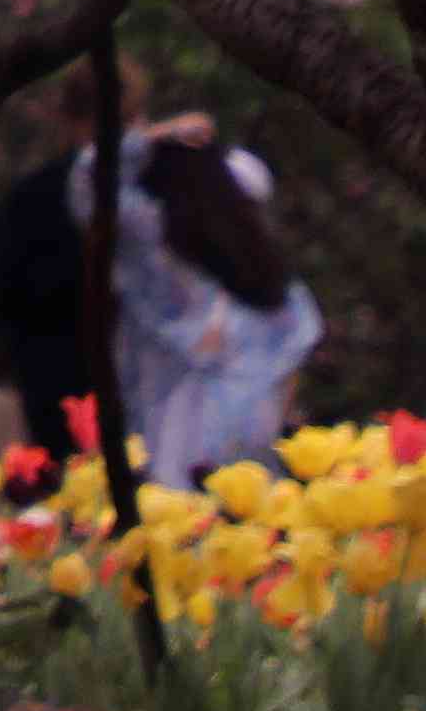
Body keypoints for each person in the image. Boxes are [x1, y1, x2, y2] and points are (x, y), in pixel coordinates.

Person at [100, 117, 321, 483]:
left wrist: (151, 138)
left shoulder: (280, 302)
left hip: (221, 493)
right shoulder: (165, 287)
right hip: (201, 492)